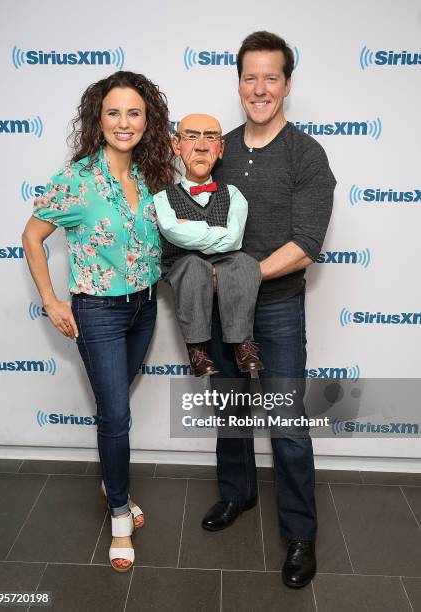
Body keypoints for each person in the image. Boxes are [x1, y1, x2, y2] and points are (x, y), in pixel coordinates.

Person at [22, 71, 174, 572]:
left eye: (134, 112)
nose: (124, 122)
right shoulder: (78, 178)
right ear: (98, 118)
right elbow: (32, 236)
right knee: (114, 416)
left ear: (147, 120)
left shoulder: (156, 174)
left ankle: (114, 485)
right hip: (99, 312)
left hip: (145, 307)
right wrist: (50, 300)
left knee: (116, 407)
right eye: (113, 112)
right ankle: (119, 517)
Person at [202, 31, 336, 589]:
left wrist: (245, 275)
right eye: (250, 77)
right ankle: (237, 495)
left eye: (271, 77)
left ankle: (300, 533)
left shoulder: (307, 154)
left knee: (286, 424)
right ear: (238, 83)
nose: (260, 88)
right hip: (219, 311)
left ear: (287, 83)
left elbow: (306, 241)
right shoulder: (220, 148)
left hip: (278, 309)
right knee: (230, 411)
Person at [154, 113, 262, 377]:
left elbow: (234, 237)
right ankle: (197, 349)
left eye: (211, 137)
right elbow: (171, 231)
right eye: (191, 136)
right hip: (181, 266)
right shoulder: (162, 198)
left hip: (228, 263)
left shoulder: (233, 194)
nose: (201, 145)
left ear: (221, 148)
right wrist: (217, 233)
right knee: (192, 265)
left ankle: (242, 344)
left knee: (245, 263)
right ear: (176, 146)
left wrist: (190, 229)